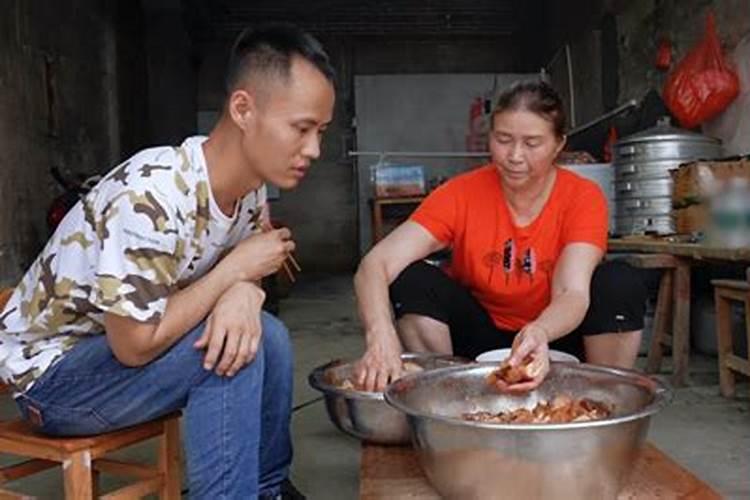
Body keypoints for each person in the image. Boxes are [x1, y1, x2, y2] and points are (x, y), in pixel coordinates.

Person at [0, 23, 335, 499]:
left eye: (320, 131)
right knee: (226, 350)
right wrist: (234, 274)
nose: (314, 150)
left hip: (118, 359)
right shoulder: (152, 196)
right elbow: (134, 346)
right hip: (53, 381)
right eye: (301, 129)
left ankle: (268, 489)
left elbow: (250, 262)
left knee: (269, 337)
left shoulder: (249, 189)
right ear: (243, 109)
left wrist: (242, 289)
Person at [353, 81, 646, 393]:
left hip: (555, 337)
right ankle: (446, 392)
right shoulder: (460, 193)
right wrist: (380, 335)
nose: (515, 156)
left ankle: (603, 396)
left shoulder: (582, 197)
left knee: (619, 282)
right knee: (410, 279)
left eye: (532, 143)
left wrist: (539, 331)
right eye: (503, 139)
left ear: (559, 144)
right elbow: (375, 264)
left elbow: (571, 292)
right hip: (478, 338)